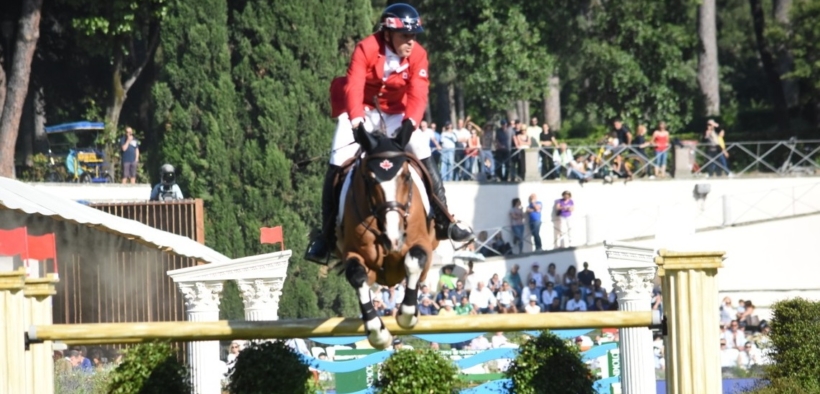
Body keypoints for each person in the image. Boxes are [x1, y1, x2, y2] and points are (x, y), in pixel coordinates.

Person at [305, 3, 473, 264]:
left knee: (424, 153)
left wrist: (409, 125)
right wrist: (357, 124)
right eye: (405, 36)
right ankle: (325, 237)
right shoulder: (366, 48)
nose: (410, 41)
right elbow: (354, 86)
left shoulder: (418, 54)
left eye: (413, 36)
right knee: (337, 164)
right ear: (387, 34)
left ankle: (445, 220)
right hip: (361, 109)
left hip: (396, 113)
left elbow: (419, 92)